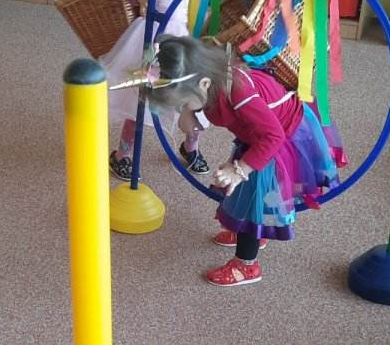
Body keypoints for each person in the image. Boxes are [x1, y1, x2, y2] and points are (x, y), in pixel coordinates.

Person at [146, 35, 342, 287]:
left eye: (182, 102)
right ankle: (250, 233)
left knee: (253, 199)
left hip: (280, 136)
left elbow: (273, 137)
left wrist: (240, 170)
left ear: (204, 84)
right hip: (256, 136)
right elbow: (197, 99)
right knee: (241, 191)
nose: (181, 107)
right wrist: (188, 112)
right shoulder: (208, 80)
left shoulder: (239, 92)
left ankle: (247, 265)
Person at [99, 0, 208, 180]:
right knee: (141, 102)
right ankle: (123, 154)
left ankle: (191, 146)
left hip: (183, 44)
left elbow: (197, 5)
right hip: (153, 44)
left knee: (193, 98)